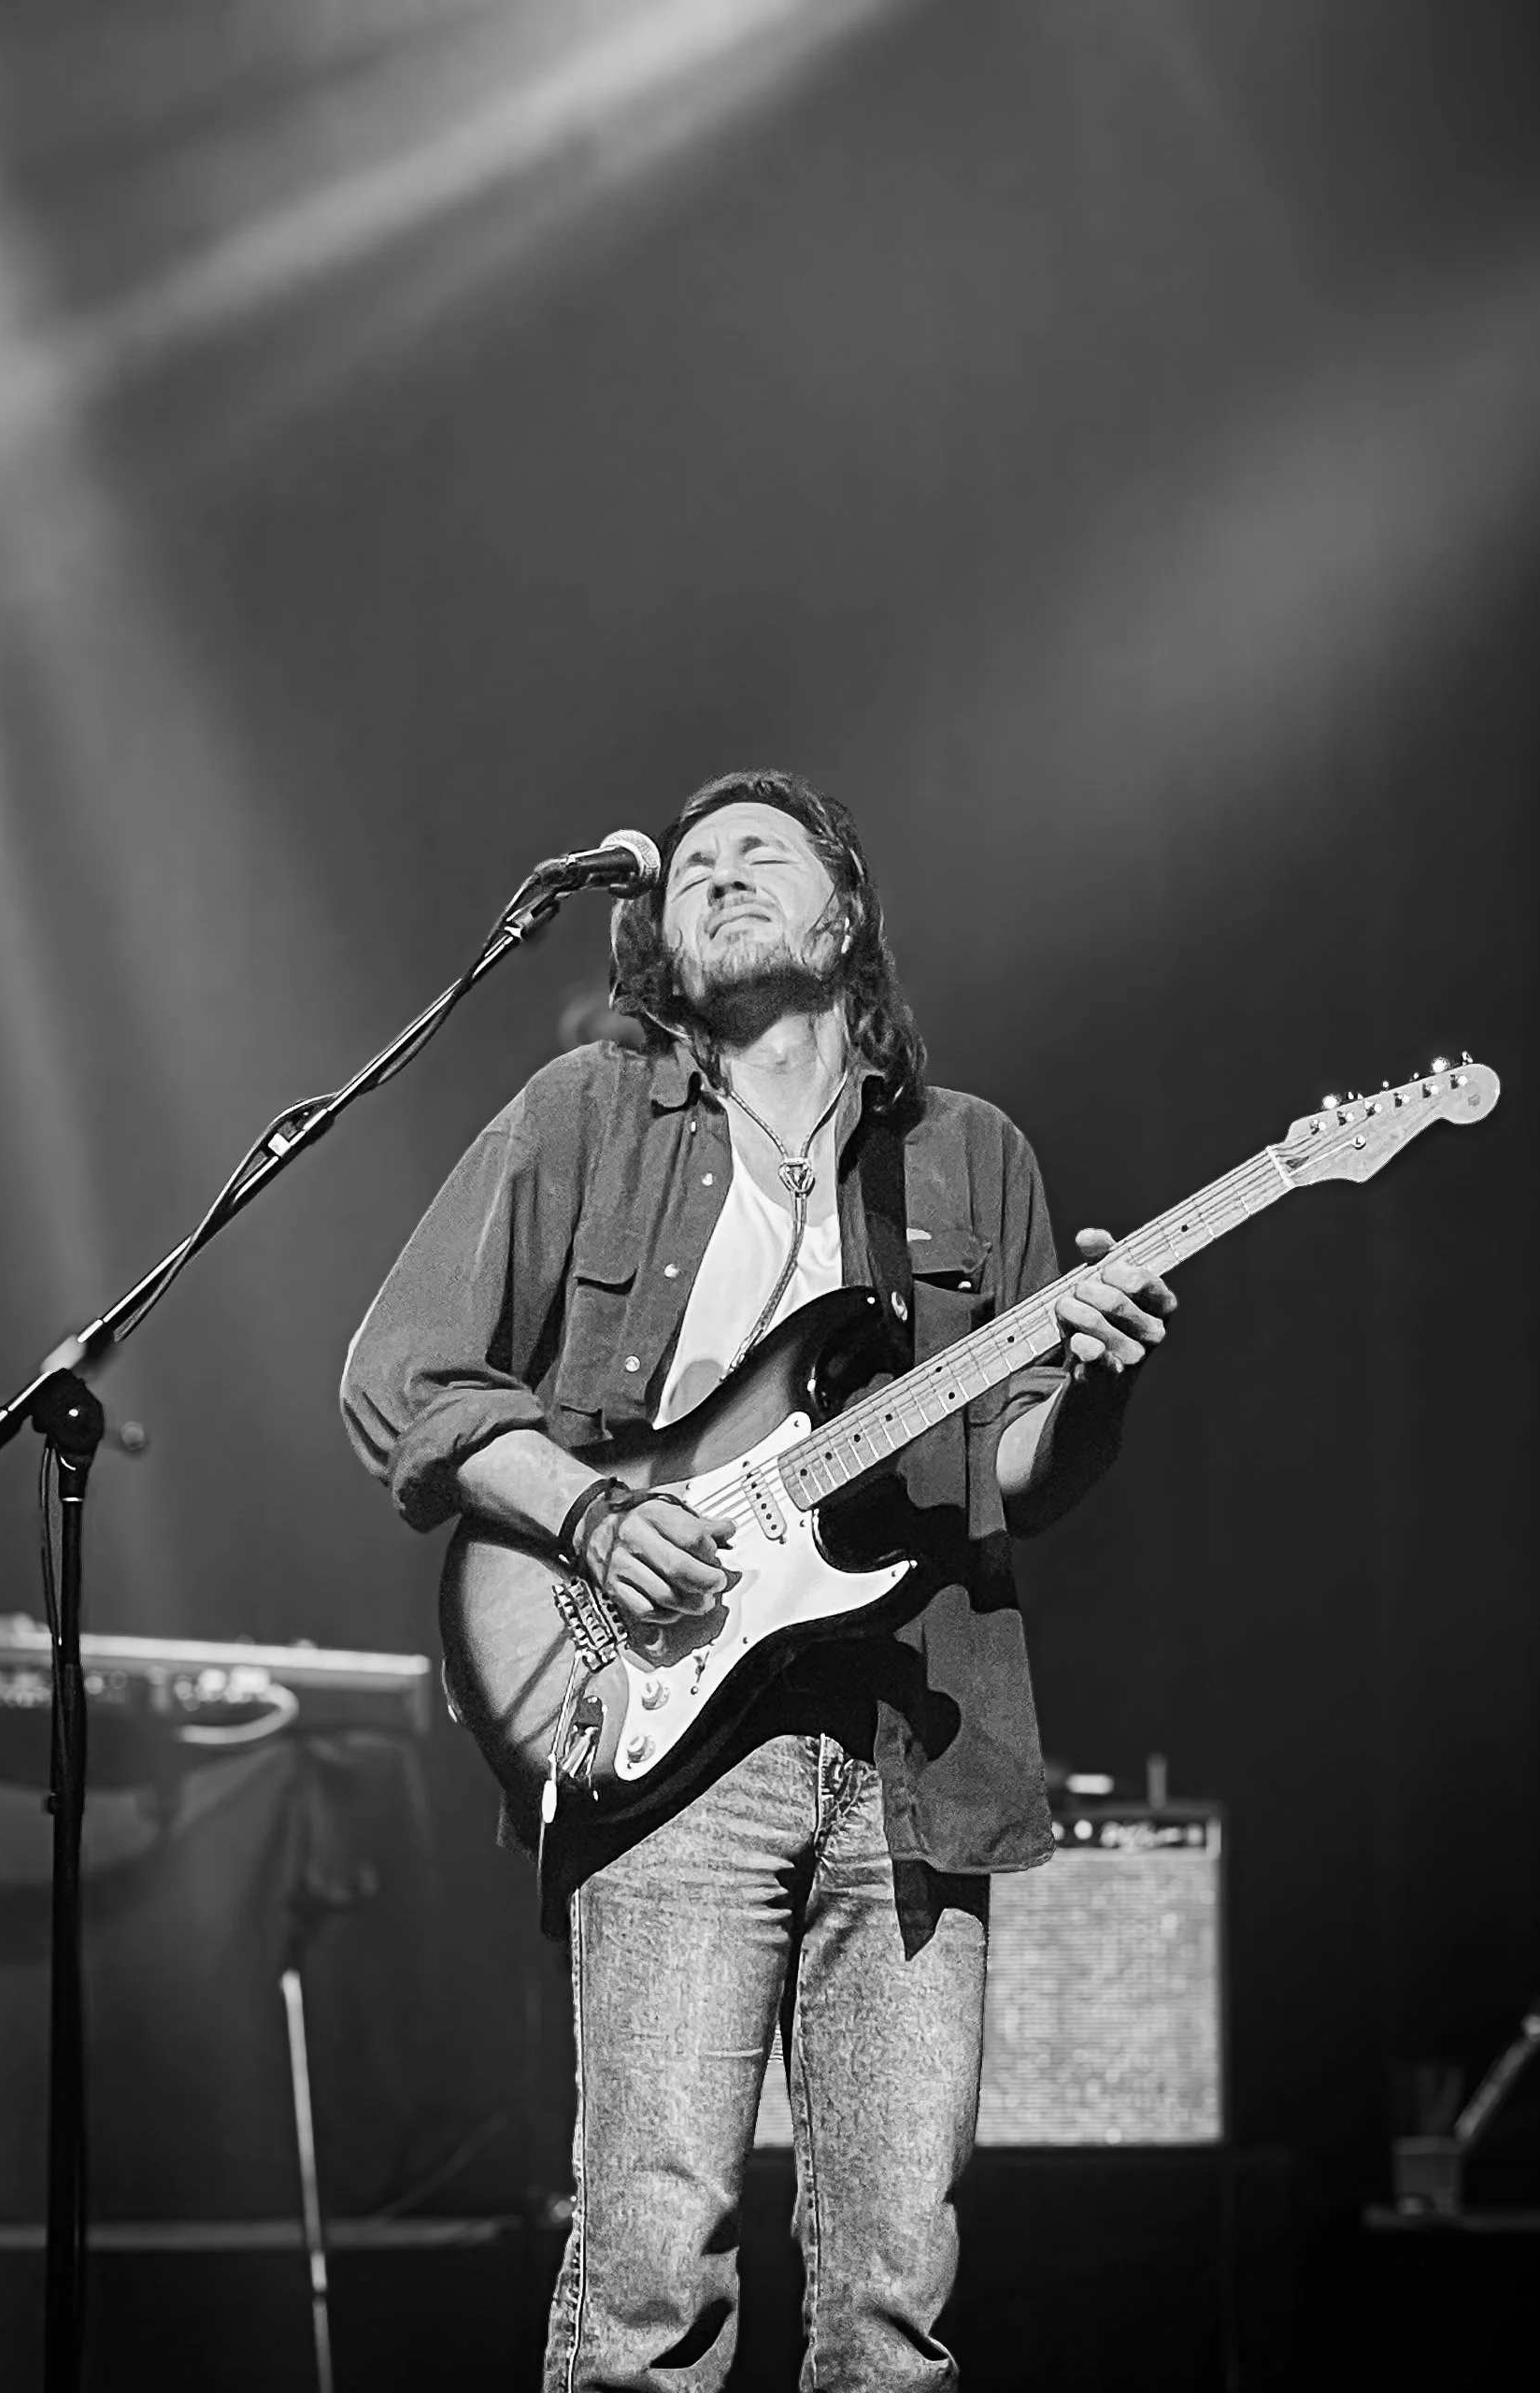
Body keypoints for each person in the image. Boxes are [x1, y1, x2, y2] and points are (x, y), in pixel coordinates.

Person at [341, 770, 1176, 2391]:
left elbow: (1018, 1475)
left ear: (842, 917)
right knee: (649, 2271)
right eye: (690, 867)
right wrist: (587, 1516)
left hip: (912, 1748)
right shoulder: (588, 1112)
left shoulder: (967, 1155)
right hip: (662, 1733)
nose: (710, 878)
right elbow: (401, 1372)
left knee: (892, 2292)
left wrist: (1099, 1382)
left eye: (755, 856)